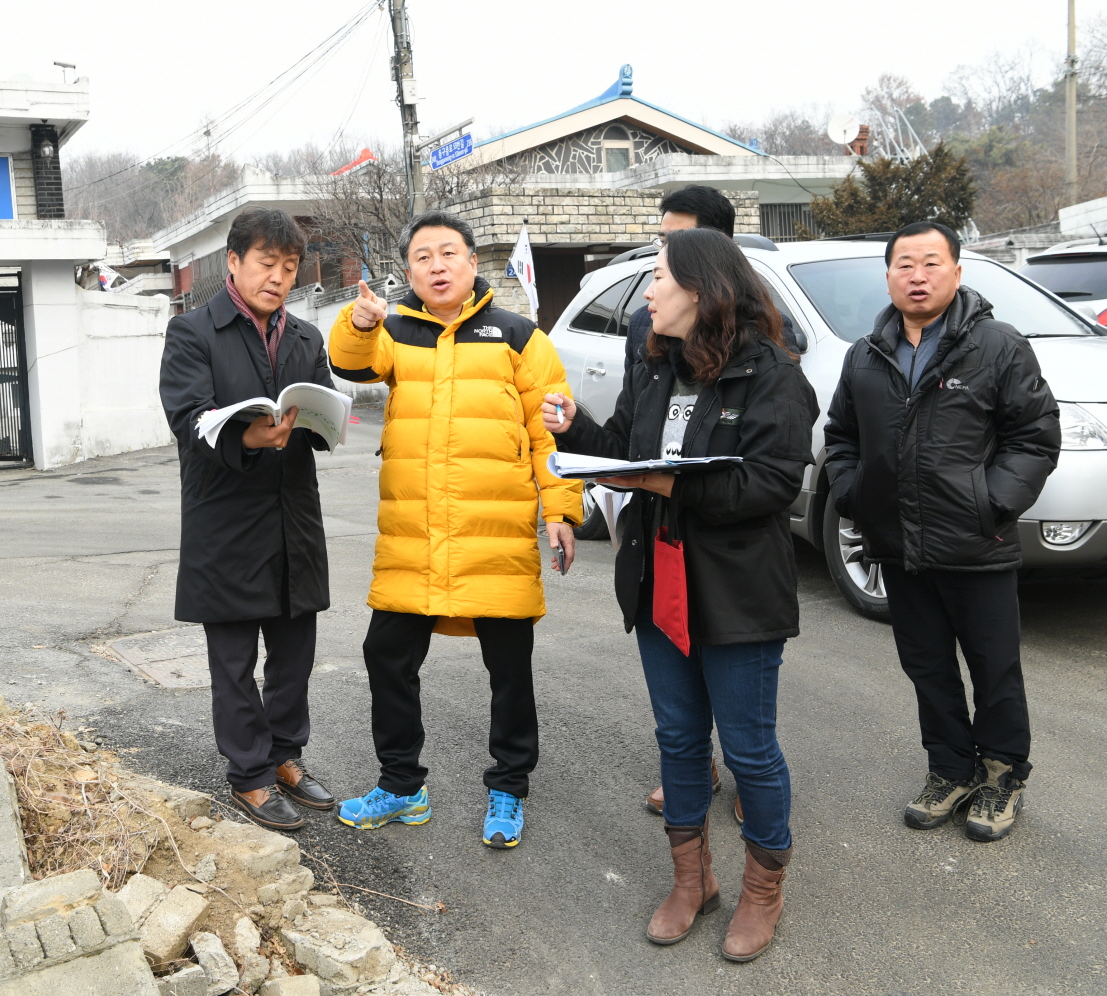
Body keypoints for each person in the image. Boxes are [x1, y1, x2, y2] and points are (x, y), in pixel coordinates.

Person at [543, 227, 818, 961]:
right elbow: (629, 452)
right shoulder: (655, 364)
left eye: (660, 278)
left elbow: (769, 485)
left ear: (702, 289)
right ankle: (691, 881)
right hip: (657, 577)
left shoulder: (773, 376)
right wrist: (578, 430)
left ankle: (763, 888)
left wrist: (664, 481)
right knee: (677, 739)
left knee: (750, 750)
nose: (650, 293)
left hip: (736, 589)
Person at [327, 210, 582, 849]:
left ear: (473, 264)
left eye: (448, 254)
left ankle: (509, 788)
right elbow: (350, 362)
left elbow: (547, 432)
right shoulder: (396, 332)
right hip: (415, 538)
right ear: (408, 270)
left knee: (510, 669)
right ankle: (401, 786)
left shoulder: (521, 336)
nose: (436, 266)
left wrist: (560, 510)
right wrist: (358, 323)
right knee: (386, 655)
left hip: (492, 536)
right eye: (422, 257)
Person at [822, 221, 1059, 842]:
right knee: (927, 667)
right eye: (905, 264)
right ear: (889, 276)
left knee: (994, 668)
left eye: (931, 263)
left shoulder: (997, 346)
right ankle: (950, 769)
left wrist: (992, 504)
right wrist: (853, 495)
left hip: (976, 546)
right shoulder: (865, 356)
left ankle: (1002, 775)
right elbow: (841, 438)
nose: (918, 276)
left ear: (957, 270)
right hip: (898, 547)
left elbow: (1034, 437)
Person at [159, 208, 337, 832]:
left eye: (290, 268)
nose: (279, 278)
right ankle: (251, 775)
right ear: (234, 262)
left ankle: (286, 755)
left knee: (294, 653)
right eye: (267, 264)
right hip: (225, 521)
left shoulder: (307, 339)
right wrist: (250, 438)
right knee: (233, 660)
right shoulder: (193, 333)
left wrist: (317, 424)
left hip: (293, 518)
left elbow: (319, 412)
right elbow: (188, 420)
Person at [624, 184, 740, 824]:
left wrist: (676, 485)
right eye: (660, 240)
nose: (655, 266)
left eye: (672, 246)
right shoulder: (650, 326)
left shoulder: (760, 335)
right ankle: (694, 775)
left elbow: (768, 474)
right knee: (676, 696)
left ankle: (746, 771)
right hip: (659, 542)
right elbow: (631, 424)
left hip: (731, 552)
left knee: (742, 698)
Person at [625, 185, 737, 370]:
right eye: (663, 242)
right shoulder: (643, 323)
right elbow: (633, 398)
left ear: (719, 246)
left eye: (679, 242)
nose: (666, 252)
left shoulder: (759, 327)